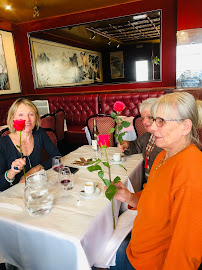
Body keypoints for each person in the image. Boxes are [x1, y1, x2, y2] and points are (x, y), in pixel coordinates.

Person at [110, 92, 202, 270]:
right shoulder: (162, 155)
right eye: (153, 120)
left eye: (161, 121)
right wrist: (130, 197)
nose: (151, 128)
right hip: (138, 250)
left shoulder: (191, 172)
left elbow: (187, 249)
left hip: (151, 263)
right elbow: (155, 198)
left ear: (185, 126)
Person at [0, 98, 61, 191]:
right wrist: (11, 172)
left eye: (31, 114)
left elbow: (57, 157)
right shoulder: (2, 143)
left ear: (36, 117)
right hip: (13, 195)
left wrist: (37, 168)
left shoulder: (39, 133)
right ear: (13, 118)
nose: (27, 119)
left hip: (37, 188)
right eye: (21, 114)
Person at [117, 98, 162, 188]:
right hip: (147, 183)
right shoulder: (148, 136)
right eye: (142, 118)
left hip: (159, 186)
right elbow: (137, 145)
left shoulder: (168, 140)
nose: (144, 122)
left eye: (149, 117)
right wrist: (127, 145)